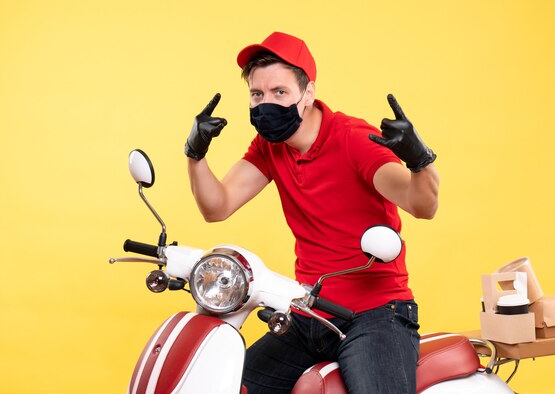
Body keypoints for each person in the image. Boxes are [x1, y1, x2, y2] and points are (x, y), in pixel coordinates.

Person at [184, 31, 439, 394]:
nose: (265, 104)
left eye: (279, 93)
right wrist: (195, 154)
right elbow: (217, 207)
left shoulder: (353, 139)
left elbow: (422, 205)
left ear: (308, 94)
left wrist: (419, 160)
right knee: (227, 384)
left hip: (376, 315)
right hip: (309, 313)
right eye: (257, 94)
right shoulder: (270, 146)